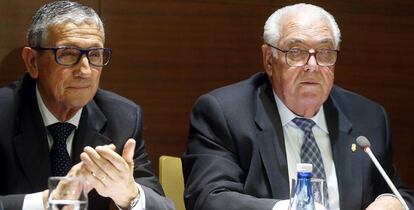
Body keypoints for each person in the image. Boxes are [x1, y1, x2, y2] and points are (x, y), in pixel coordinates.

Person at [182, 3, 414, 210]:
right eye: (296, 52)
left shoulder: (368, 117)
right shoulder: (225, 114)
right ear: (269, 60)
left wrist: (393, 202)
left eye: (324, 52)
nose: (312, 65)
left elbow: (399, 192)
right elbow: (208, 198)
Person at [0, 1, 173, 210]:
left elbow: (161, 205)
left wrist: (129, 195)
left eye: (94, 55)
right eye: (68, 54)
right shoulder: (4, 113)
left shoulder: (122, 118)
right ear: (33, 62)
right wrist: (50, 201)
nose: (85, 70)